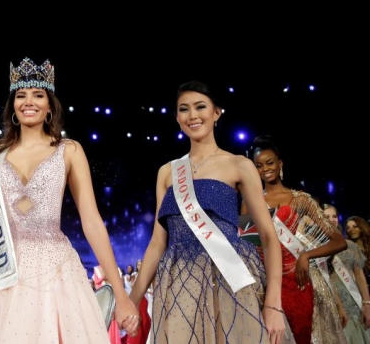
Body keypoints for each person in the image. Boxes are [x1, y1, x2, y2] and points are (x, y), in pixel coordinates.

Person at [0, 57, 139, 343]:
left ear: (50, 105)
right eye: (21, 95)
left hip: (55, 276)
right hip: (2, 275)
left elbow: (92, 223)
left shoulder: (69, 150)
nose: (29, 102)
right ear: (12, 104)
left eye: (38, 95)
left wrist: (121, 296)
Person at [129, 81, 287, 344]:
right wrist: (132, 300)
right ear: (177, 118)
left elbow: (269, 238)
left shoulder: (239, 165)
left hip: (229, 280)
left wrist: (273, 303)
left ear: (216, 113)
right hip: (180, 284)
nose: (192, 115)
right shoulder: (167, 172)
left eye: (200, 107)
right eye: (184, 109)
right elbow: (157, 243)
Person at [247, 136, 347, 344]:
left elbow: (339, 241)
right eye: (258, 165)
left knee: (301, 336)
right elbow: (249, 244)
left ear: (280, 164)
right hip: (265, 283)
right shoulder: (250, 201)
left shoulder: (301, 199)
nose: (265, 169)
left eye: (269, 162)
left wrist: (306, 255)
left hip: (296, 281)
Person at [324, 204, 370, 343]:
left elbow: (359, 275)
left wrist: (367, 303)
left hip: (356, 303)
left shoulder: (350, 245)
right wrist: (339, 306)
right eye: (326, 216)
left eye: (334, 216)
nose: (332, 219)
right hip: (335, 305)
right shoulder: (317, 247)